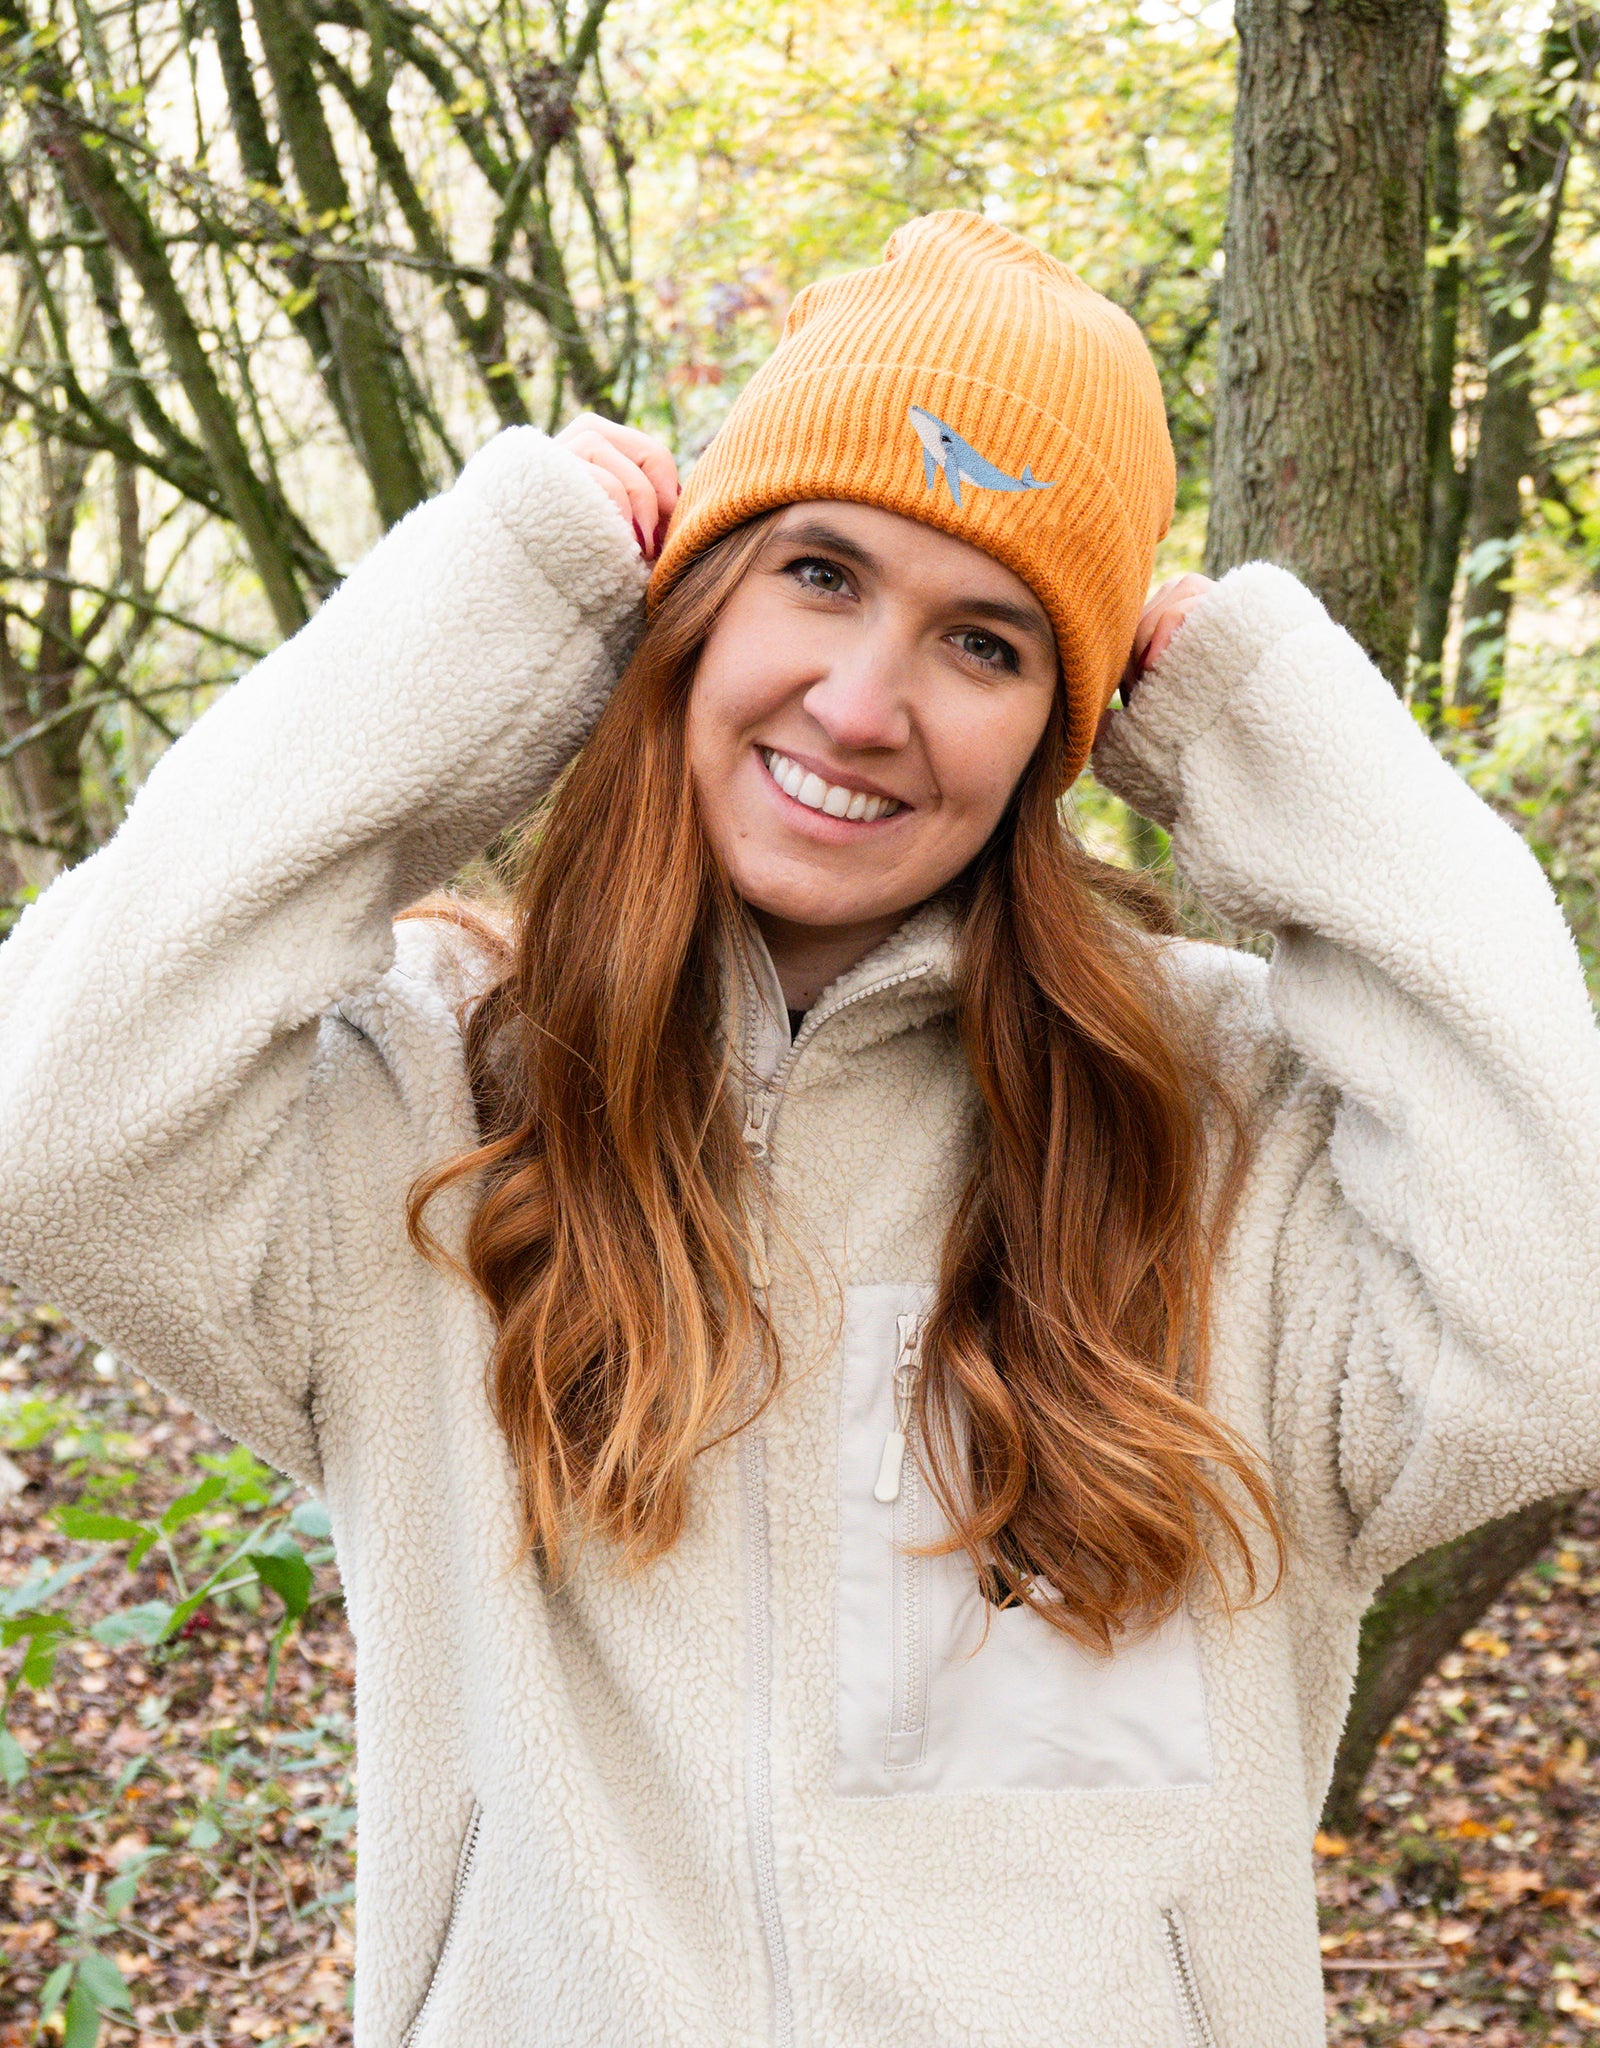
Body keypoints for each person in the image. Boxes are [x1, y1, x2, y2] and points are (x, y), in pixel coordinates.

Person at [1, 210, 1597, 2048]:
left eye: (986, 642)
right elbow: (52, 1134)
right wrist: (494, 620)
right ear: (691, 601)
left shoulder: (1205, 1123)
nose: (863, 702)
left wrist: (1270, 736)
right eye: (820, 575)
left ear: (1064, 730)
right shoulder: (432, 1099)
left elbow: (1553, 1348)